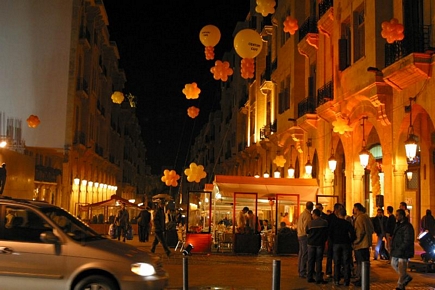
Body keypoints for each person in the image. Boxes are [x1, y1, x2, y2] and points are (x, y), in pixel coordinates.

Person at [330, 207, 355, 286]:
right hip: (345, 243)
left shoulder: (334, 223)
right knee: (346, 262)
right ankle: (346, 280)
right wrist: (350, 241)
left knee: (337, 262)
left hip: (336, 243)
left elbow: (330, 233)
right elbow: (353, 233)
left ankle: (336, 279)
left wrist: (333, 240)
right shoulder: (347, 223)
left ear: (338, 214)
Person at [391, 209, 415, 290]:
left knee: (402, 267)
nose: (396, 216)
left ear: (402, 216)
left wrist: (401, 248)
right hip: (397, 249)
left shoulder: (407, 226)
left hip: (404, 251)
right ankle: (406, 277)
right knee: (393, 263)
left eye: (397, 215)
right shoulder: (398, 224)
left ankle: (400, 286)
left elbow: (407, 240)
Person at [352, 203, 374, 286]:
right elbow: (371, 229)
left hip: (361, 244)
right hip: (367, 243)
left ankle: (360, 279)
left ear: (356, 208)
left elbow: (360, 231)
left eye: (354, 208)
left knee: (360, 263)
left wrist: (356, 241)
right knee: (365, 262)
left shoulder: (359, 218)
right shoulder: (366, 217)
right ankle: (364, 278)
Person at [306, 208, 329, 284]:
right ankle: (318, 278)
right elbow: (326, 233)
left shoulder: (310, 223)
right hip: (320, 243)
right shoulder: (324, 222)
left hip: (311, 243)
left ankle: (309, 277)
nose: (312, 215)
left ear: (315, 215)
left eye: (312, 214)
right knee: (319, 260)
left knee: (310, 260)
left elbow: (307, 231)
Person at [325, 203, 344, 279]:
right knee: (330, 255)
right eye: (340, 209)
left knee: (338, 256)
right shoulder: (330, 217)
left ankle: (338, 272)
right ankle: (329, 272)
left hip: (338, 239)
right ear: (336, 209)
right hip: (331, 239)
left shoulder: (340, 217)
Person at [297, 201, 313, 278]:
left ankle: (300, 269)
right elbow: (307, 227)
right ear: (312, 207)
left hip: (299, 235)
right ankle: (302, 271)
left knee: (301, 253)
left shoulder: (302, 214)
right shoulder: (307, 215)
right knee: (305, 254)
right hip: (304, 235)